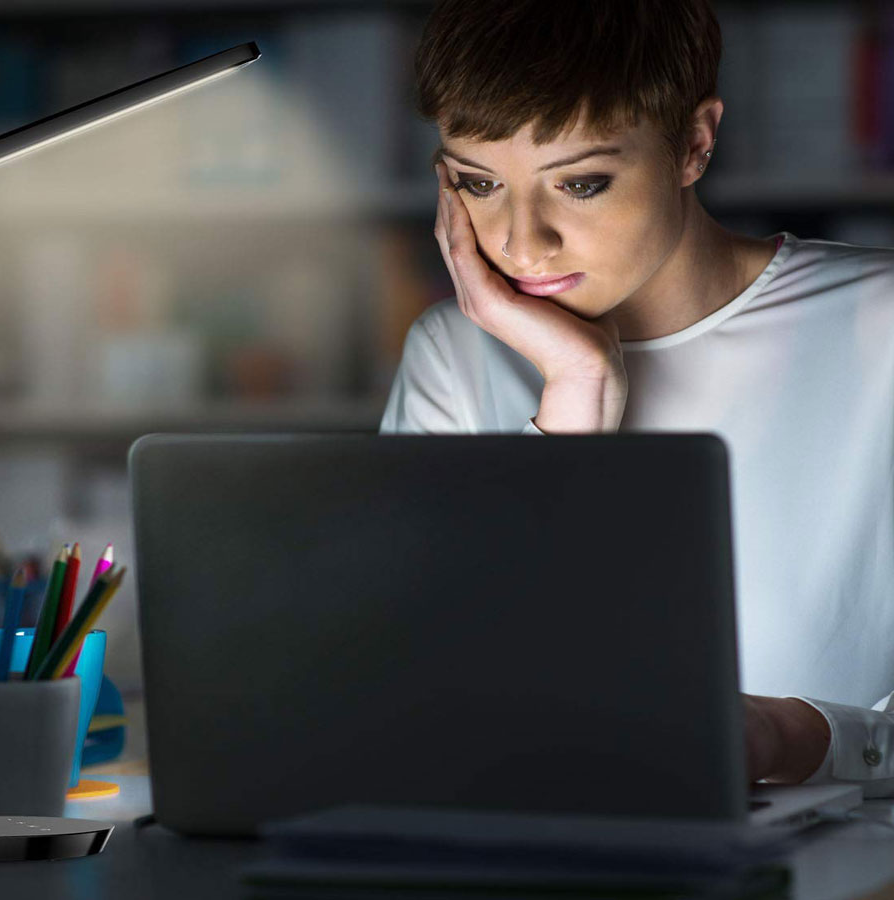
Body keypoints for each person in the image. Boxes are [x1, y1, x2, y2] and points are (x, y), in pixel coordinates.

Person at [382, 0, 894, 795]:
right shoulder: (453, 354)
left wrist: (797, 739)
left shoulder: (882, 329)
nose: (521, 242)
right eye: (479, 184)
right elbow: (417, 699)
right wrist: (573, 398)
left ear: (693, 143)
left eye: (580, 183)